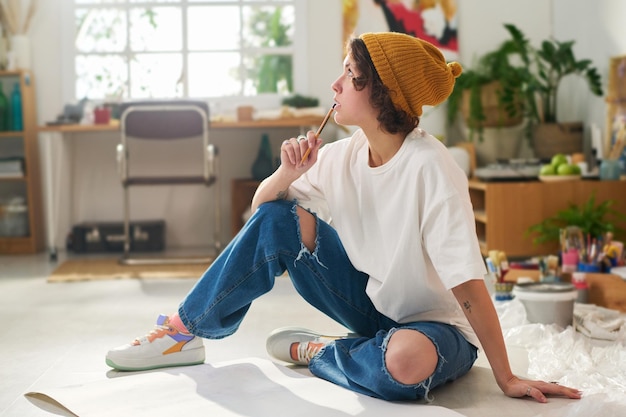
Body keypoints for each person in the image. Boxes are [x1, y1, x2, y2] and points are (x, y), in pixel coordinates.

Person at [106, 32, 582, 403]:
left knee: (404, 363)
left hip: (437, 327)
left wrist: (505, 376)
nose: (335, 85)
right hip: (371, 307)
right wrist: (286, 172)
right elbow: (263, 220)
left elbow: (467, 283)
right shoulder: (342, 155)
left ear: (382, 92)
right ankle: (183, 330)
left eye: (349, 73)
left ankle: (321, 352)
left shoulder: (431, 168)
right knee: (278, 217)